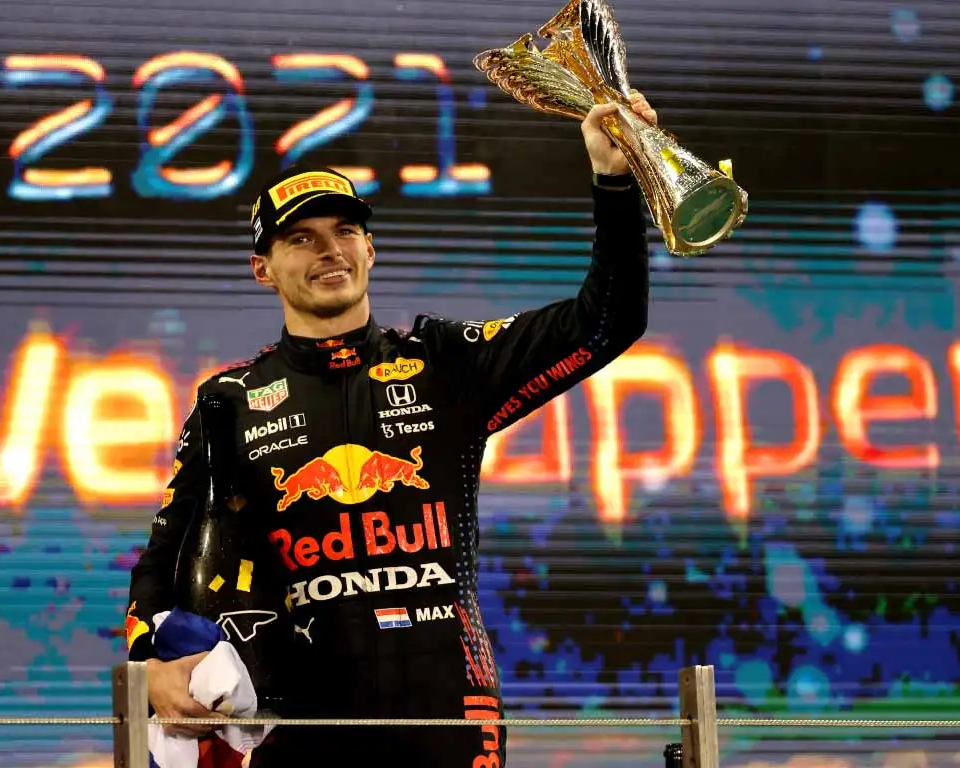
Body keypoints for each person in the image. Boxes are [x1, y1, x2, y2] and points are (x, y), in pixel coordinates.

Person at [125, 91, 658, 766]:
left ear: (371, 249)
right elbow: (164, 558)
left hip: (448, 711)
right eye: (300, 238)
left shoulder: (444, 363)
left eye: (345, 232)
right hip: (299, 727)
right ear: (263, 269)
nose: (329, 251)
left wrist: (615, 181)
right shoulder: (230, 400)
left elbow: (607, 322)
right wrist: (151, 662)